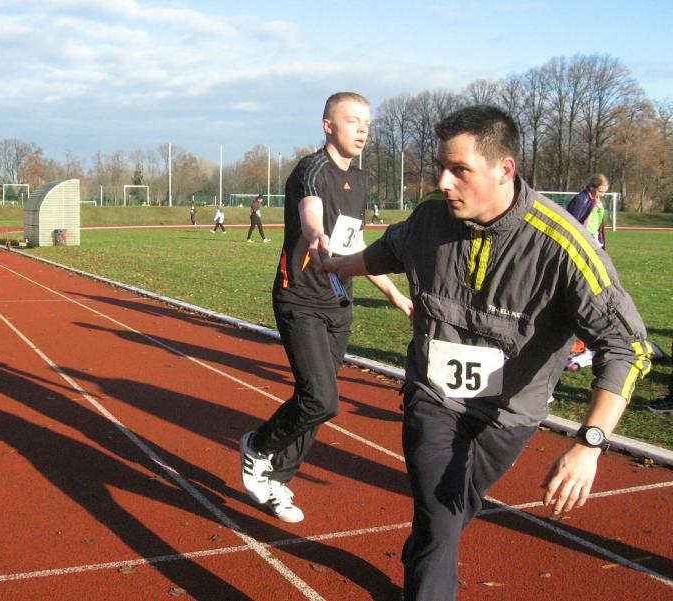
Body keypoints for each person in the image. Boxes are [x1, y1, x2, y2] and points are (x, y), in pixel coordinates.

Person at [322, 105, 652, 601]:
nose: (443, 182)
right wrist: (333, 265)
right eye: (441, 167)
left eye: (460, 170)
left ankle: (424, 552)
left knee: (450, 514)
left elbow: (627, 346)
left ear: (504, 169)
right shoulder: (430, 218)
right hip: (435, 398)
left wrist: (589, 444)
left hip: (509, 416)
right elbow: (386, 251)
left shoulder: (563, 246)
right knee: (440, 510)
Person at [239, 92, 413, 523]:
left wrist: (393, 294)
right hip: (299, 297)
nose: (362, 130)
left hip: (338, 302)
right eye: (353, 121)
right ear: (328, 126)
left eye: (367, 123)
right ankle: (258, 447)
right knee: (321, 399)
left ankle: (277, 479)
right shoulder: (311, 169)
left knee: (316, 401)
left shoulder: (361, 180)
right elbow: (310, 210)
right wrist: (315, 234)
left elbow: (355, 244)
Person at [567, 174, 609, 248]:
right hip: (584, 237)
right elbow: (573, 221)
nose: (602, 195)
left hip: (593, 236)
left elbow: (598, 223)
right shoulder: (581, 199)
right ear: (591, 187)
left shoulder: (595, 200)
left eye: (604, 192)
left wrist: (600, 209)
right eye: (600, 191)